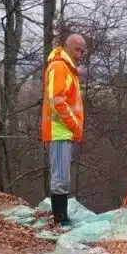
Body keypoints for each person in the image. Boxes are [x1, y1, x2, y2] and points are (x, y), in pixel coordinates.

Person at [41, 34, 86, 227]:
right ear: (67, 47)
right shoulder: (59, 67)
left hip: (63, 131)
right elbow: (57, 101)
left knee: (63, 175)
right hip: (60, 131)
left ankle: (61, 216)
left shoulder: (68, 69)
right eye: (77, 49)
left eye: (82, 51)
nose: (80, 54)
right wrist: (74, 124)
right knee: (60, 177)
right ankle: (60, 219)